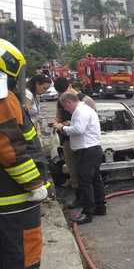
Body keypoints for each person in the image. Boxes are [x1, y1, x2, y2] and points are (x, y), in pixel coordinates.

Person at [0, 38, 55, 269]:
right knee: (24, 243)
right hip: (14, 196)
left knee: (6, 244)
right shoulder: (2, 99)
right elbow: (11, 150)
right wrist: (35, 185)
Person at [52, 93, 105, 225]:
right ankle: (100, 207)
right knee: (95, 180)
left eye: (65, 107)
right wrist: (71, 123)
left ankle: (88, 213)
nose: (65, 110)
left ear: (69, 102)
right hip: (93, 150)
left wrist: (62, 127)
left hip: (86, 151)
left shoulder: (80, 111)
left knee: (85, 182)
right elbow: (81, 127)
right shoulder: (85, 110)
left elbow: (79, 130)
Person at [53, 77, 96, 207]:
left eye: (65, 91)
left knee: (85, 173)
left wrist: (68, 124)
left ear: (70, 86)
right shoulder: (61, 100)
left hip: (83, 142)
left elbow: (90, 115)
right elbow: (59, 115)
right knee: (73, 169)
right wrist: (58, 123)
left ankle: (88, 201)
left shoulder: (83, 99)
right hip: (68, 139)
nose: (63, 96)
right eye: (60, 93)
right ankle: (80, 197)